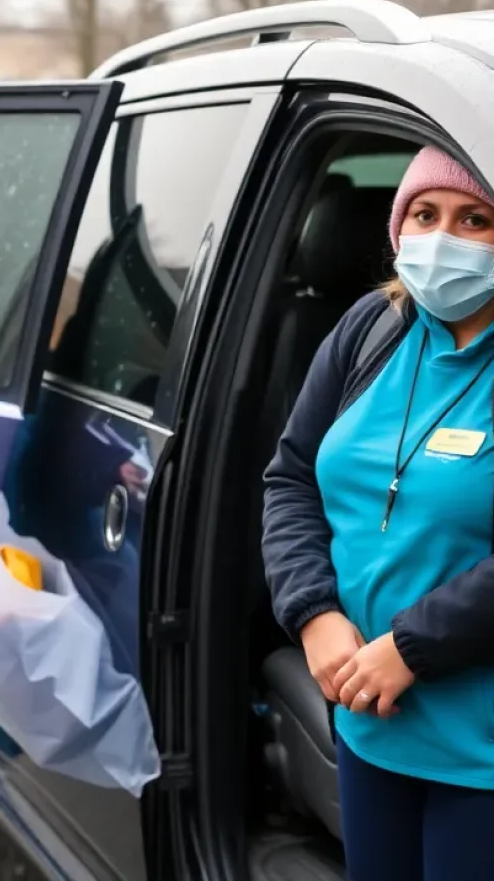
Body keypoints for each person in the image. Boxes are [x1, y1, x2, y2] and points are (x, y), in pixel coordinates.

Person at [263, 146, 494, 880]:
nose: (442, 239)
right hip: (370, 727)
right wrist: (313, 612)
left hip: (479, 750)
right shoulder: (375, 326)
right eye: (425, 214)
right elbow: (291, 475)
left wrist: (413, 645)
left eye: (476, 219)